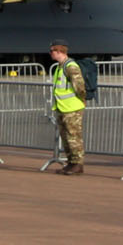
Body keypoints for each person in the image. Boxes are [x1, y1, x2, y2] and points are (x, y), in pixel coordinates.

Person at [48, 40, 87, 175]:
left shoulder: (70, 66)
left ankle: (78, 164)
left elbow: (80, 85)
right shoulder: (60, 67)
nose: (50, 53)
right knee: (65, 138)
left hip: (72, 108)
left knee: (74, 137)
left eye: (52, 50)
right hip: (62, 107)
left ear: (59, 51)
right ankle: (71, 162)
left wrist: (82, 100)